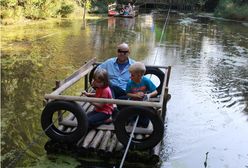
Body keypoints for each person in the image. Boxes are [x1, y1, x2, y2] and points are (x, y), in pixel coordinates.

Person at [126, 62, 158, 127]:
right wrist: (135, 95)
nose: (130, 76)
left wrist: (149, 95)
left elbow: (155, 91)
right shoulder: (130, 82)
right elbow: (127, 93)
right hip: (133, 103)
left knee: (145, 123)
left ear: (139, 75)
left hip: (144, 103)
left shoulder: (146, 81)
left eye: (132, 75)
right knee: (129, 118)